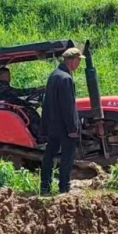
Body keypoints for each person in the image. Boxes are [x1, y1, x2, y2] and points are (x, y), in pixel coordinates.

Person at [40, 47, 82, 194]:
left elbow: (47, 103)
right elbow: (68, 106)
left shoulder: (53, 75)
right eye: (78, 60)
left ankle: (44, 187)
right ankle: (64, 187)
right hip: (64, 127)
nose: (79, 64)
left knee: (49, 156)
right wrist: (72, 128)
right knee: (67, 157)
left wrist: (44, 126)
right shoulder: (66, 78)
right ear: (72, 60)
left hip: (52, 126)